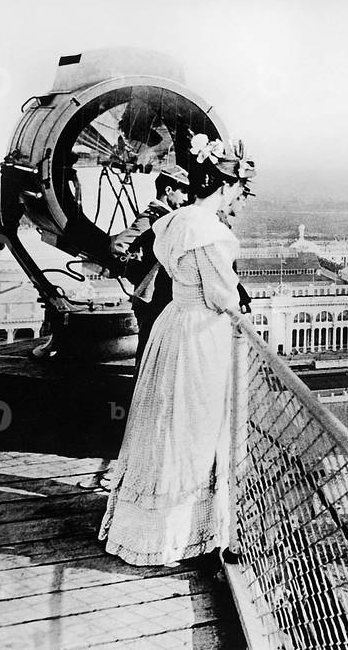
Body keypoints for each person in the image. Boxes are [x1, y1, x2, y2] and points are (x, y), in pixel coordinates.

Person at [99, 135, 252, 566]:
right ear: (224, 186)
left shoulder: (174, 221)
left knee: (166, 421)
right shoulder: (209, 232)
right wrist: (236, 303)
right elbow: (221, 294)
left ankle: (154, 525)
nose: (237, 197)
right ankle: (184, 535)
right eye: (238, 189)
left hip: (172, 323)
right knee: (195, 428)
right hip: (201, 334)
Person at [110, 165, 190, 369]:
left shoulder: (165, 217)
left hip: (157, 298)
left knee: (156, 355)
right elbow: (118, 246)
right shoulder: (151, 218)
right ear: (169, 190)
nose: (186, 197)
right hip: (149, 299)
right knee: (147, 356)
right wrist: (140, 275)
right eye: (183, 191)